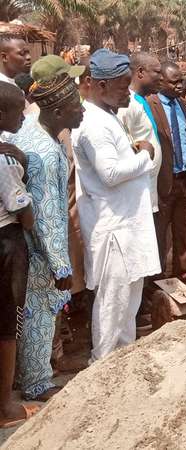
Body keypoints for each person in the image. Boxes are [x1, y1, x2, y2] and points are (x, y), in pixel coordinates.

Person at [72, 49, 161, 362]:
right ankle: (103, 367)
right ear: (100, 85)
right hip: (113, 230)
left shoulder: (108, 117)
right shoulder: (93, 124)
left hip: (127, 226)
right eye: (123, 86)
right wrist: (145, 154)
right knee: (113, 305)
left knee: (128, 305)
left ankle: (122, 366)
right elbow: (110, 174)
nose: (128, 91)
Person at [6, 61, 84, 400]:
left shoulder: (34, 137)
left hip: (27, 245)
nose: (81, 111)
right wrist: (60, 265)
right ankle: (37, 383)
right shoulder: (45, 152)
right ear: (56, 112)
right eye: (74, 107)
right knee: (39, 314)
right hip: (37, 251)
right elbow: (46, 213)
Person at [0, 81, 38, 426]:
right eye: (17, 112)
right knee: (8, 324)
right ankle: (7, 407)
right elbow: (23, 213)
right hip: (7, 243)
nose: (23, 117)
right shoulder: (6, 161)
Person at [147, 62, 186, 281]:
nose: (180, 86)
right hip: (163, 180)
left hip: (185, 178)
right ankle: (157, 279)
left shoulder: (183, 105)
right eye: (174, 82)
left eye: (181, 81)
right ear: (161, 82)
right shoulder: (150, 105)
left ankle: (181, 274)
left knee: (183, 230)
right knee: (159, 234)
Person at [117, 52, 162, 217]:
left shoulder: (141, 100)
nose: (161, 77)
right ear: (140, 72)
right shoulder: (127, 104)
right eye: (157, 72)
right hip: (137, 194)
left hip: (148, 188)